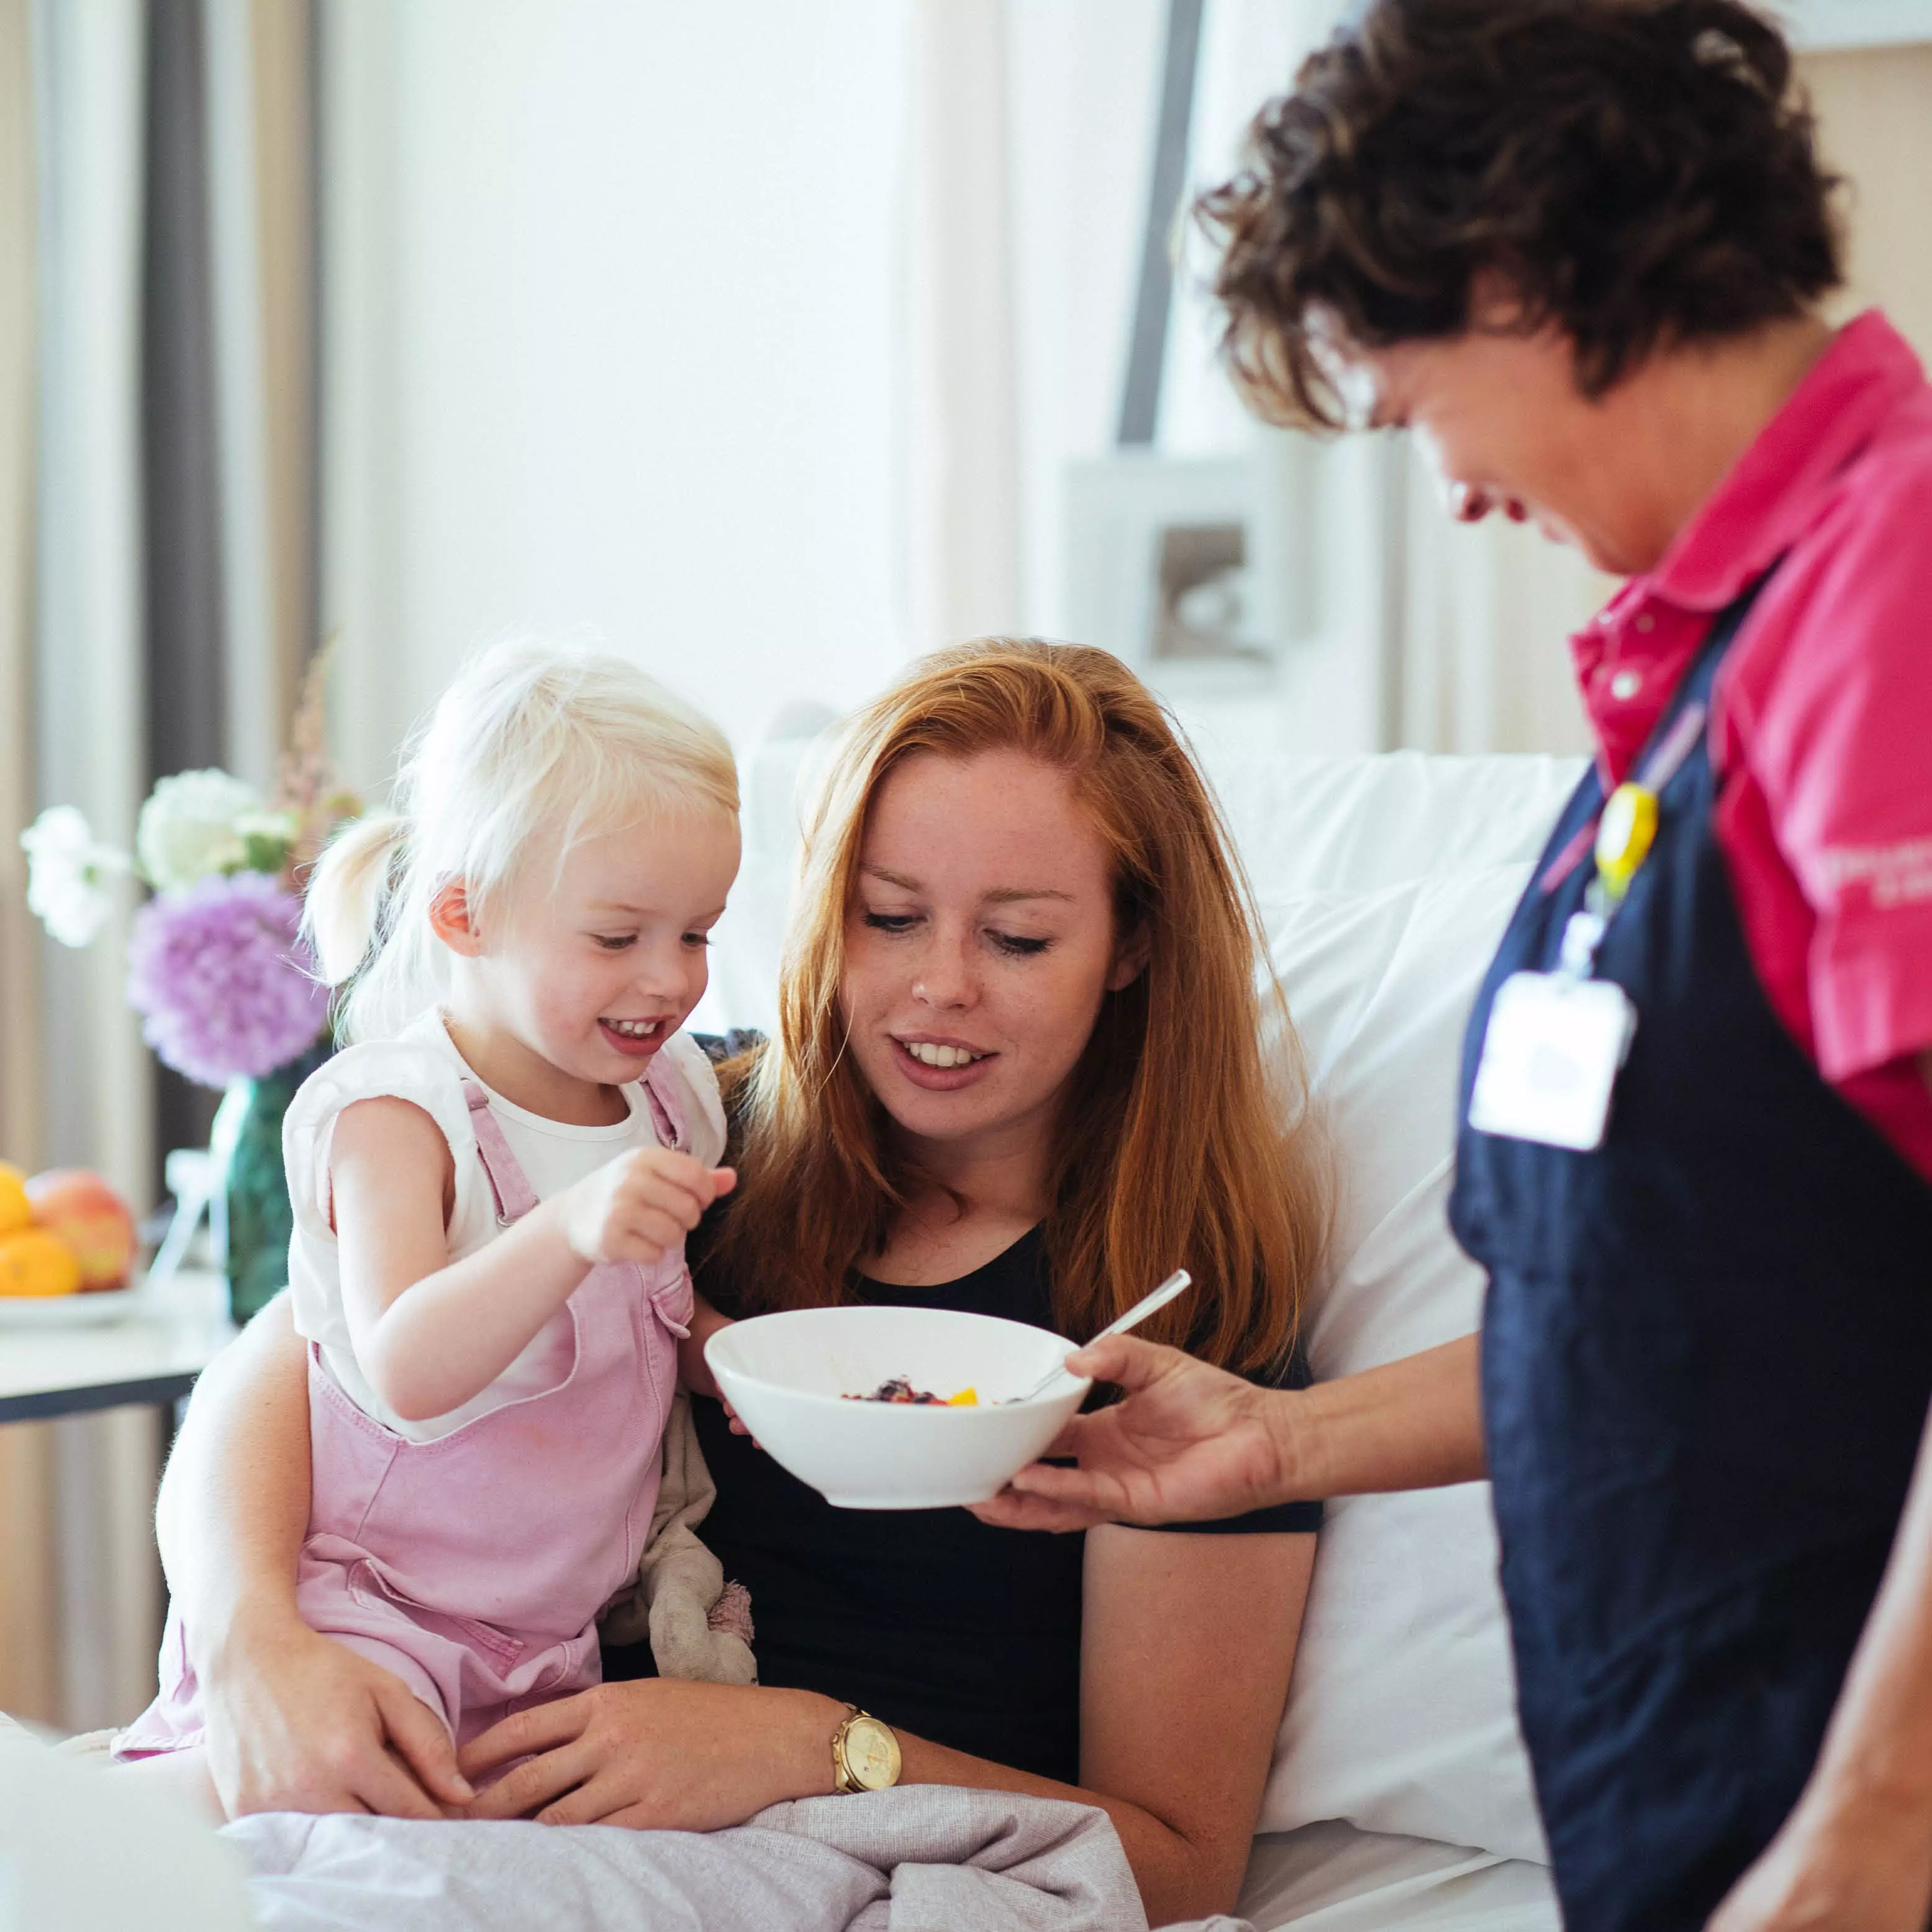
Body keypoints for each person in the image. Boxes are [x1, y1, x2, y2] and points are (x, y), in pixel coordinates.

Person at [977, 4, 1932, 1930]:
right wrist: (1279, 1437)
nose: (1448, 493)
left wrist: (1873, 1829)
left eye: (1404, 402)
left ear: (1514, 276)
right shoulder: (1694, 668)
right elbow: (1666, 1286)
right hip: (1690, 1808)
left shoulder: (1886, 591)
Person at [150, 640, 1330, 1926]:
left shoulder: (1177, 1321)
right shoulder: (679, 1129)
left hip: (799, 1831)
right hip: (491, 1761)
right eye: (888, 916)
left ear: (1129, 946)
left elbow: (1178, 1857)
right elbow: (303, 1357)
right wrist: (252, 1634)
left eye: (1016, 936)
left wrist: (813, 1746)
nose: (939, 984)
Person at [114, 640, 743, 1815]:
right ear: (466, 912)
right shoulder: (401, 1118)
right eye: (619, 937)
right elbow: (404, 1361)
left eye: (699, 933)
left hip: (539, 1629)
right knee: (296, 1819)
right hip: (371, 1604)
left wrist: (737, 1363)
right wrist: (568, 1228)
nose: (669, 981)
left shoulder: (674, 1097)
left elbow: (650, 1307)